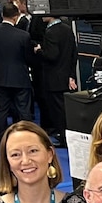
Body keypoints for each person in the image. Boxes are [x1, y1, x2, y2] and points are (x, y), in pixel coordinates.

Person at [0, 2, 34, 147]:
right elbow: (29, 58)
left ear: (2, 15)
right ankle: (27, 139)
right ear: (16, 16)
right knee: (23, 110)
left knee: (1, 111)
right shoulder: (23, 35)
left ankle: (1, 142)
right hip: (20, 77)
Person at [37, 15, 77, 144]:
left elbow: (52, 55)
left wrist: (39, 51)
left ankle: (63, 138)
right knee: (64, 108)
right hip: (65, 76)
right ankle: (66, 136)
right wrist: (71, 76)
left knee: (57, 110)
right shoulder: (67, 29)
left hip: (53, 78)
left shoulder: (51, 32)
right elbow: (73, 54)